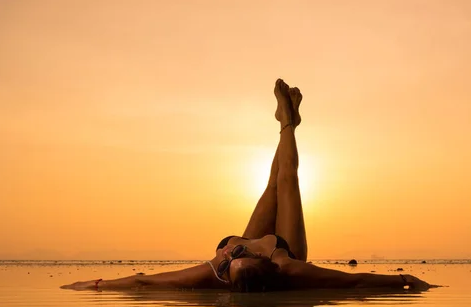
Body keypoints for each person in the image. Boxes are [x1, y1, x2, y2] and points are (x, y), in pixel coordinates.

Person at [61, 79, 436, 292]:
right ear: (263, 263)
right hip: (286, 247)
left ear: (227, 262)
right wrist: (404, 281)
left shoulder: (213, 269)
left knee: (272, 185)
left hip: (254, 262)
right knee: (288, 181)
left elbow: (144, 283)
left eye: (230, 258)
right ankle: (287, 122)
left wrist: (93, 285)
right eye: (239, 256)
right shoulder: (288, 269)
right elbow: (352, 283)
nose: (233, 255)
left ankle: (287, 120)